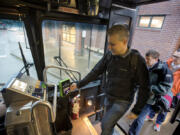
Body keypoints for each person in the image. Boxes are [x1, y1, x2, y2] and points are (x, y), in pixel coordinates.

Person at [70, 25, 150, 135]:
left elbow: (145, 88)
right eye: (109, 43)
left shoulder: (137, 61)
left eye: (112, 44)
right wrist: (79, 84)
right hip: (108, 96)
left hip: (123, 101)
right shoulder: (110, 55)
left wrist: (137, 110)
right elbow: (96, 71)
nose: (109, 47)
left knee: (105, 124)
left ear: (124, 41)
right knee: (109, 124)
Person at [129, 49, 173, 135]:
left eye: (148, 59)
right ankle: (131, 129)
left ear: (156, 59)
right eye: (146, 59)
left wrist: (150, 88)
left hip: (150, 100)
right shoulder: (148, 66)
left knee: (140, 118)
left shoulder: (164, 71)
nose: (146, 61)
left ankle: (133, 133)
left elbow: (166, 88)